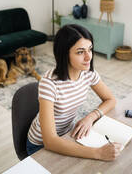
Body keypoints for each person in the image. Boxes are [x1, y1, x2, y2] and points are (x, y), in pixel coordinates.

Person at [27, 24, 122, 161]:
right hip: (40, 146)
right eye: (80, 52)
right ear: (65, 54)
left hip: (67, 134)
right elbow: (50, 141)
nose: (88, 57)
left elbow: (111, 100)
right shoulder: (49, 83)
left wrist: (90, 117)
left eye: (90, 49)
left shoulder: (88, 73)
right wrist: (98, 153)